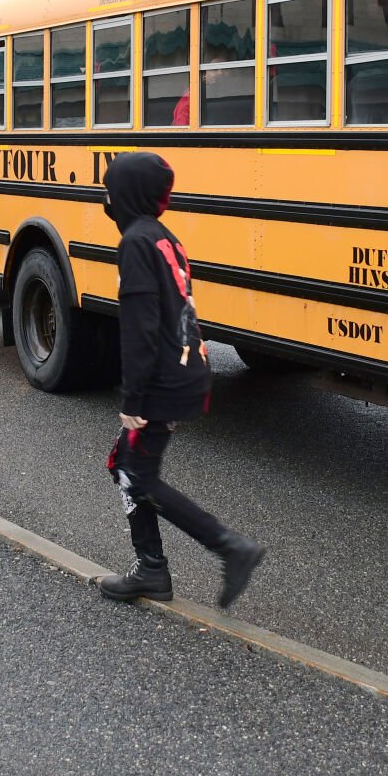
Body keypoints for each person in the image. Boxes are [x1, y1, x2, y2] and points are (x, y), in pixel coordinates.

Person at [95, 151, 265, 608]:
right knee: (126, 468)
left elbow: (141, 326)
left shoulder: (134, 242)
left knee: (136, 475)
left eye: (110, 190)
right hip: (186, 371)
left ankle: (226, 548)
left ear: (125, 195)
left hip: (162, 383)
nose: (105, 198)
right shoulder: (163, 237)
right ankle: (153, 568)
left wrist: (132, 399)